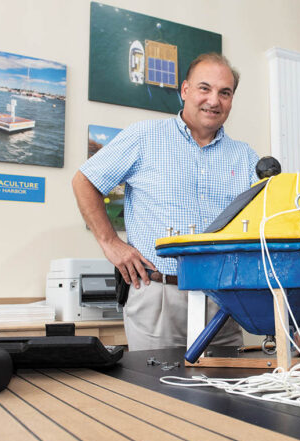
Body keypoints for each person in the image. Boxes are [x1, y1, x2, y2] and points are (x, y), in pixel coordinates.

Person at [73, 53, 259, 351]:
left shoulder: (247, 157)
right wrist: (110, 243)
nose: (214, 100)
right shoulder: (144, 136)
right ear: (185, 90)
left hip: (224, 302)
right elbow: (85, 181)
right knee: (156, 394)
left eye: (225, 93)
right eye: (204, 88)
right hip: (158, 293)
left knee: (226, 394)